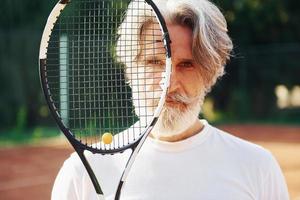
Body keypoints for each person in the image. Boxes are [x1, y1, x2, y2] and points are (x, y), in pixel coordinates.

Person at [52, 0, 289, 199]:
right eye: (154, 62)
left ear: (209, 74)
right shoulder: (83, 173)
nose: (169, 83)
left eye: (186, 64)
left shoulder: (258, 167)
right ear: (130, 70)